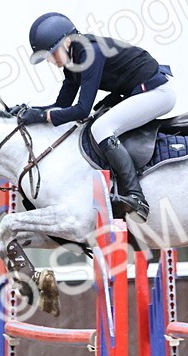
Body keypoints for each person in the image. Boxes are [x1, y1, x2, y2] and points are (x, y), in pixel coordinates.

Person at [18, 12, 175, 221]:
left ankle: (136, 195)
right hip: (140, 93)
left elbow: (82, 110)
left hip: (157, 93)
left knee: (100, 128)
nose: (50, 61)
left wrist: (42, 116)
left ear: (66, 42)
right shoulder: (74, 61)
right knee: (97, 125)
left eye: (52, 54)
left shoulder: (89, 52)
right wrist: (27, 110)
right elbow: (62, 105)